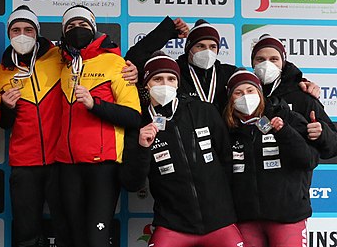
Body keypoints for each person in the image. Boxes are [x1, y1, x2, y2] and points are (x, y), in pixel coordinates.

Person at [120, 51, 243, 246]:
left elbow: (227, 158)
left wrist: (222, 204)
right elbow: (132, 183)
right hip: (173, 226)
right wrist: (142, 148)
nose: (165, 84)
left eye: (170, 79)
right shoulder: (138, 124)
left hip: (220, 222)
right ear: (146, 85)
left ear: (177, 83)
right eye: (157, 79)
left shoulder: (204, 110)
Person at [55, 5, 142, 247]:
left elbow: (134, 117)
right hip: (67, 165)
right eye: (70, 26)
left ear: (93, 29)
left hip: (102, 166)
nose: (77, 30)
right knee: (75, 238)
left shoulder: (116, 63)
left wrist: (96, 104)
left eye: (83, 25)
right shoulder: (63, 65)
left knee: (97, 240)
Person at [125, 17, 319, 111]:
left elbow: (263, 84)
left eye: (212, 46)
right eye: (200, 46)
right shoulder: (174, 72)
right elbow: (134, 57)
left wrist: (299, 80)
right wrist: (168, 31)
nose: (206, 51)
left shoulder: (229, 73)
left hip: (222, 146)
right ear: (188, 48)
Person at [0, 5, 68, 247]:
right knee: (25, 232)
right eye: (16, 30)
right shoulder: (2, 71)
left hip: (60, 161)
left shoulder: (59, 57)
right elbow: (4, 125)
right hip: (24, 164)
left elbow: (97, 58)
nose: (22, 35)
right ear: (9, 34)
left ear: (37, 32)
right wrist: (6, 107)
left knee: (67, 228)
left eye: (28, 29)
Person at [224, 70, 318, 247]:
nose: (245, 97)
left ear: (260, 93)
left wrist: (284, 132)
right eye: (239, 92)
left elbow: (308, 160)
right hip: (247, 219)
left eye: (250, 91)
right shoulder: (227, 130)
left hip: (287, 217)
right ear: (230, 99)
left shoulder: (285, 117)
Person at [250, 34, 337, 159]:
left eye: (274, 59)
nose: (267, 65)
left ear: (283, 62)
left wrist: (322, 134)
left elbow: (333, 147)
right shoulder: (245, 95)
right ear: (253, 62)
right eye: (260, 59)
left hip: (292, 176)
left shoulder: (302, 95)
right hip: (255, 176)